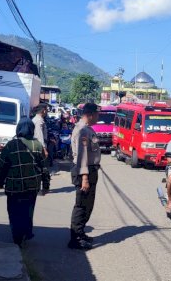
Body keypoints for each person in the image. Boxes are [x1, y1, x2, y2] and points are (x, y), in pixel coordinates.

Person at [0, 118, 44, 246]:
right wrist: (46, 185)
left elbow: (2, 166)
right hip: (32, 186)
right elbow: (43, 167)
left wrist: (0, 181)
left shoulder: (11, 145)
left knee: (14, 211)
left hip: (14, 186)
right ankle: (26, 232)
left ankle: (17, 235)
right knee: (28, 210)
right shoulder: (38, 145)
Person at [68, 103, 102, 250]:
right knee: (81, 206)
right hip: (85, 172)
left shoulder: (87, 129)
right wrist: (85, 178)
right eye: (97, 114)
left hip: (89, 171)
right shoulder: (83, 131)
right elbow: (82, 156)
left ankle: (80, 234)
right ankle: (75, 239)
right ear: (91, 114)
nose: (98, 117)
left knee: (88, 205)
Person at [32, 103, 51, 195]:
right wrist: (44, 148)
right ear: (43, 110)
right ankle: (41, 188)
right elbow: (39, 136)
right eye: (46, 110)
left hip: (35, 147)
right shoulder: (39, 121)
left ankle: (40, 188)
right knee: (42, 168)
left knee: (38, 168)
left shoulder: (36, 119)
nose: (47, 111)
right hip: (39, 147)